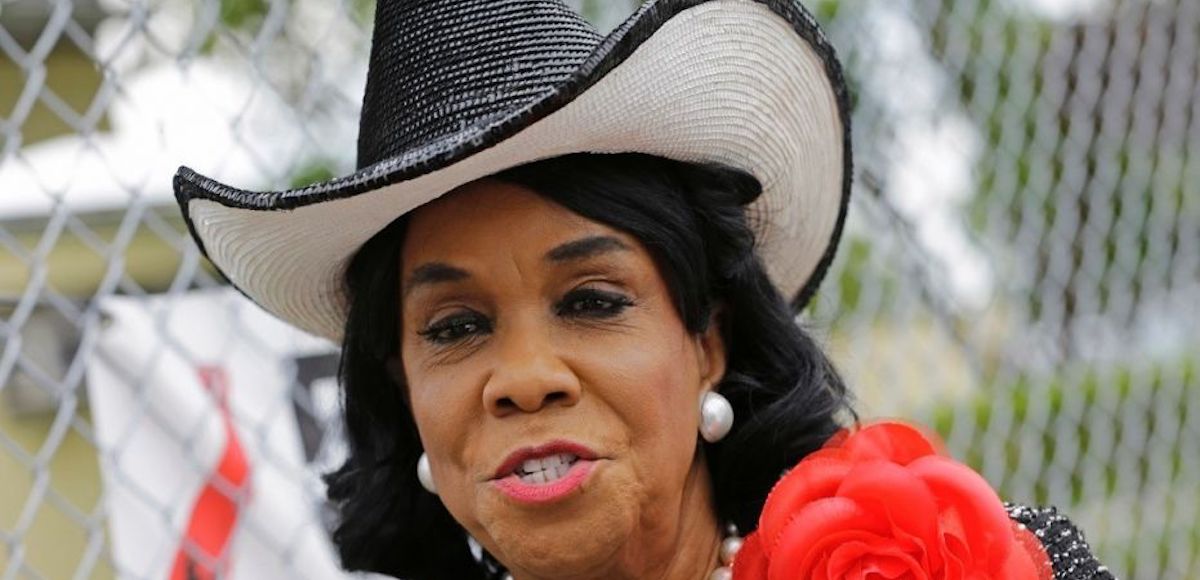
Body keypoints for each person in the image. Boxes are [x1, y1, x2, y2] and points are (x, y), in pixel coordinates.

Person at [173, 1, 1114, 578]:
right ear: (405, 389)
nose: (523, 378)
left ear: (709, 337)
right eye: (455, 326)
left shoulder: (977, 567)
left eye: (591, 299)